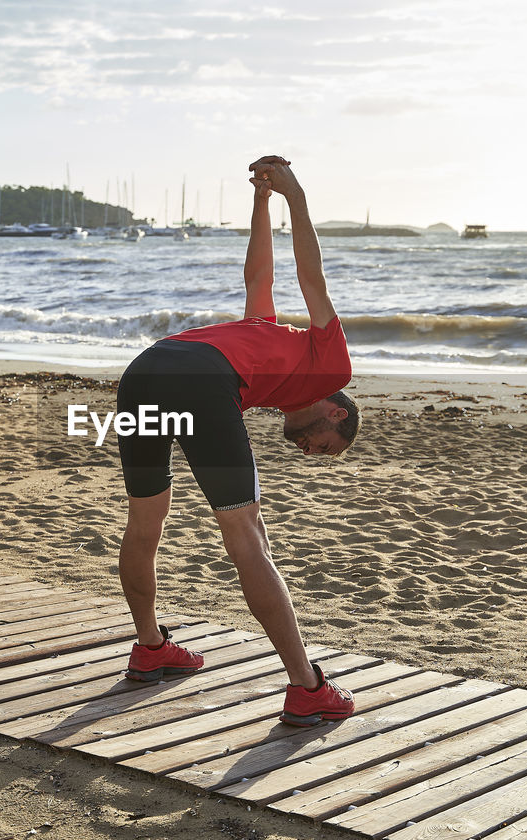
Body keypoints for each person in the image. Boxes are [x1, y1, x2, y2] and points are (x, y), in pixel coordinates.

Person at [114, 155, 360, 726]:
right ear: (334, 411)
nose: (309, 451)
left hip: (144, 370)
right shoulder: (333, 368)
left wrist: (258, 203)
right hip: (200, 380)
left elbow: (259, 277)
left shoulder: (266, 337)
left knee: (145, 520)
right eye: (325, 445)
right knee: (249, 537)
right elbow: (309, 276)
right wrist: (293, 197)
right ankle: (307, 687)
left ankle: (151, 649)